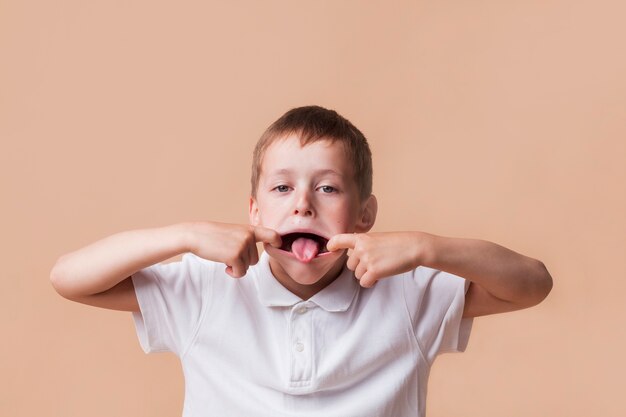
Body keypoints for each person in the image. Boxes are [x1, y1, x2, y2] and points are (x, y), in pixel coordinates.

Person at [50, 105, 553, 417]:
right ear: (253, 211)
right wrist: (185, 236)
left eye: (328, 187)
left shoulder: (408, 291)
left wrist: (425, 247)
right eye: (282, 187)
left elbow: (533, 283)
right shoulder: (206, 288)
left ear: (363, 216)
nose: (303, 204)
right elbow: (69, 278)